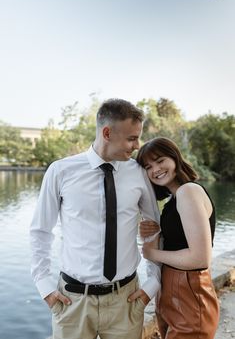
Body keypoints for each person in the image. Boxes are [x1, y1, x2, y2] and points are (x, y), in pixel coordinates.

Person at [30, 98, 161, 339]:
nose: (136, 145)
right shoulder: (60, 171)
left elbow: (154, 228)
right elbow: (40, 231)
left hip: (126, 301)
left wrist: (152, 285)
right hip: (72, 302)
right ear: (108, 132)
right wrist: (45, 287)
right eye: (132, 138)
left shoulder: (139, 173)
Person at [136, 137, 219, 339]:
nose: (155, 169)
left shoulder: (188, 191)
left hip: (188, 293)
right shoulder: (174, 198)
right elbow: (180, 240)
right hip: (173, 291)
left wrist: (151, 252)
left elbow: (200, 258)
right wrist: (157, 231)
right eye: (148, 166)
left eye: (160, 160)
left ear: (174, 158)